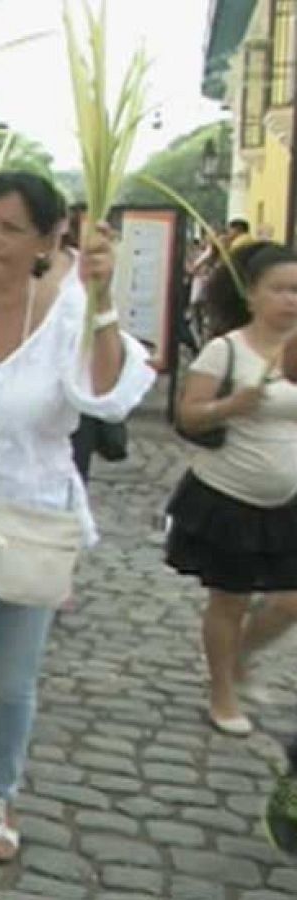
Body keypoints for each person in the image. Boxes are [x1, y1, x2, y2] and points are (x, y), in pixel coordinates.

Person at [0, 172, 154, 899]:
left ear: (49, 240)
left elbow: (105, 395)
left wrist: (102, 303)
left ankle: (1, 793)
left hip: (33, 523)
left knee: (12, 685)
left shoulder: (72, 314)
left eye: (10, 229)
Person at [167, 241, 297, 736]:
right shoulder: (226, 350)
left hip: (288, 498)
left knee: (289, 601)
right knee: (231, 601)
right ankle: (222, 691)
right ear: (251, 294)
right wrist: (232, 406)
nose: (290, 300)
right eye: (280, 289)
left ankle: (241, 655)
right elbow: (188, 415)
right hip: (229, 497)